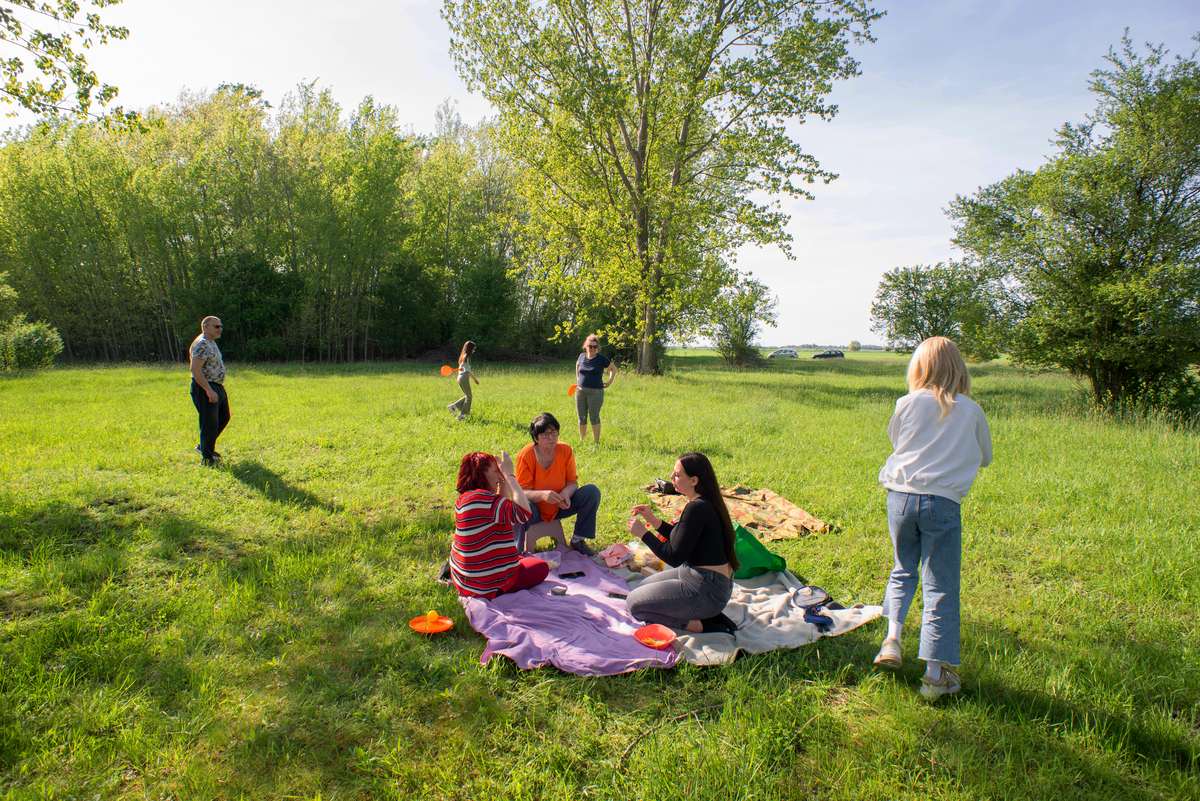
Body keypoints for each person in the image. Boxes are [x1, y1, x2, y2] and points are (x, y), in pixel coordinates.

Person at [873, 336, 993, 700]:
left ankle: (892, 639)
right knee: (940, 584)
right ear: (958, 368)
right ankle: (934, 675)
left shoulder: (906, 403)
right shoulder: (971, 410)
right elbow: (985, 457)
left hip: (901, 498)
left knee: (902, 568)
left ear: (918, 368)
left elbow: (898, 442)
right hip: (942, 503)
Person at [625, 452, 741, 634]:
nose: (671, 478)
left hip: (705, 588)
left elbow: (674, 557)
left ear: (694, 480)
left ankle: (698, 624)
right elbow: (680, 538)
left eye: (677, 475)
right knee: (642, 588)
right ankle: (709, 613)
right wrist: (654, 520)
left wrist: (644, 534)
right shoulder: (705, 502)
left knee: (634, 604)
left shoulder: (697, 508)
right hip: (708, 582)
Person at [450, 450, 550, 599]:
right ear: (481, 474)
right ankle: (500, 587)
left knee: (523, 560)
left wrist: (502, 481)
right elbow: (524, 514)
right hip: (483, 585)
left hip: (463, 577)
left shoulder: (465, 498)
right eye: (495, 471)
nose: (498, 475)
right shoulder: (486, 501)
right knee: (541, 567)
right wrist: (510, 476)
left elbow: (503, 513)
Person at [515, 412, 602, 557]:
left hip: (560, 505)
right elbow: (521, 493)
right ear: (535, 437)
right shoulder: (526, 455)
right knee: (520, 507)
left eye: (554, 433)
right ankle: (515, 551)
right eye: (545, 434)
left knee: (591, 492)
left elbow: (572, 483)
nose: (551, 438)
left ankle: (578, 540)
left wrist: (566, 494)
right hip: (535, 509)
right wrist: (542, 496)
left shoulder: (565, 450)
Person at [189, 316, 230, 467]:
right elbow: (195, 369)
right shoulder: (201, 343)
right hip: (205, 387)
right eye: (216, 326)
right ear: (205, 327)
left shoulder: (211, 342)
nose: (220, 329)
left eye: (221, 326)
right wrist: (208, 390)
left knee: (224, 417)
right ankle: (207, 460)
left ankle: (204, 446)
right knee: (209, 423)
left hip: (217, 386)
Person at [575, 333, 615, 444]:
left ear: (597, 348)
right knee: (581, 417)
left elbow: (613, 368)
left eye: (595, 347)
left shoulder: (601, 359)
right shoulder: (581, 356)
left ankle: (596, 442)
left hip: (595, 392)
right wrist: (578, 379)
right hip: (580, 391)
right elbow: (577, 365)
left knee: (594, 417)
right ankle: (582, 440)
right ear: (585, 346)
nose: (592, 348)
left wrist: (609, 381)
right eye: (590, 346)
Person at [447, 341, 480, 420]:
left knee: (467, 396)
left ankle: (453, 406)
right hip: (464, 377)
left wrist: (475, 379)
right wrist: (461, 366)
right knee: (469, 397)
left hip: (460, 377)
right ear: (470, 349)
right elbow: (463, 367)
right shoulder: (466, 357)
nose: (473, 351)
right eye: (473, 349)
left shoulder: (462, 356)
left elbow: (468, 370)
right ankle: (461, 415)